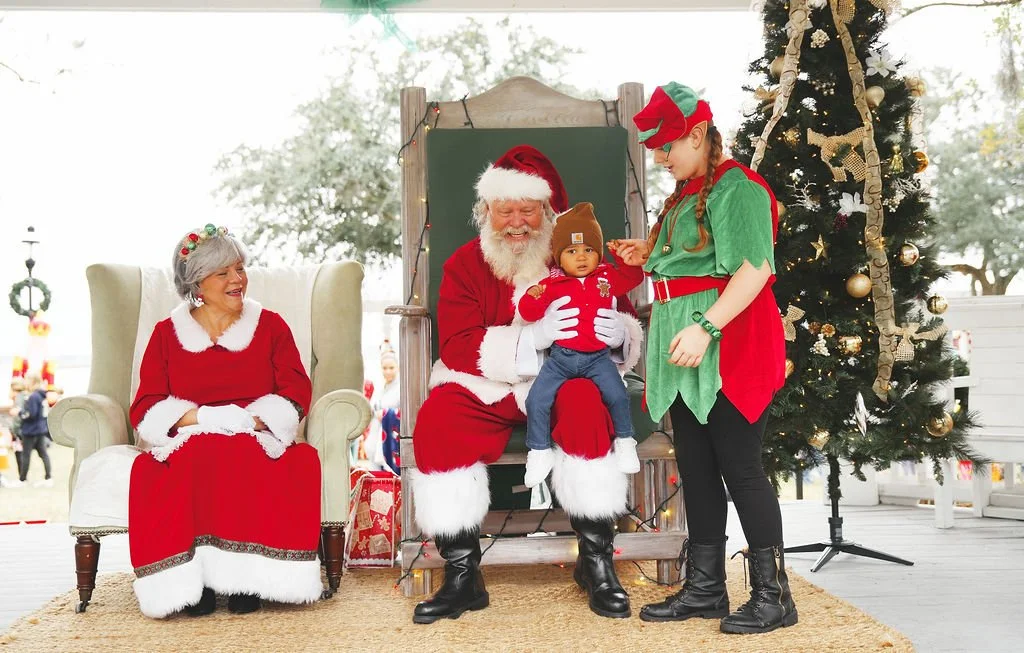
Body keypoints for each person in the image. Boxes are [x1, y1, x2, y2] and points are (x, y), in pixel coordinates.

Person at [409, 145, 644, 624]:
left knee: (585, 403)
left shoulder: (580, 259)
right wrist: (530, 340)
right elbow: (457, 346)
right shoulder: (463, 264)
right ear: (487, 211)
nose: (516, 222)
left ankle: (596, 562)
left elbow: (618, 309)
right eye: (504, 210)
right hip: (488, 385)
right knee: (439, 418)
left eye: (528, 210)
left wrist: (620, 334)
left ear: (548, 213)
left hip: (567, 380)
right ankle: (462, 575)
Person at [614, 83, 795, 634]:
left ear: (698, 134)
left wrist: (706, 327)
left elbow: (754, 269)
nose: (661, 157)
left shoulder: (738, 188)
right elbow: (697, 259)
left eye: (667, 146)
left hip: (726, 347)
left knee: (740, 469)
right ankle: (706, 589)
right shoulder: (686, 191)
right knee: (695, 470)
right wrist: (649, 255)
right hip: (684, 351)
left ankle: (774, 596)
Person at [122, 225, 321, 618]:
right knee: (197, 455)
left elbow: (296, 389)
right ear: (197, 282)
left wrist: (255, 420)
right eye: (224, 273)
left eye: (240, 269)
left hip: (254, 433)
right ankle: (200, 583)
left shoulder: (271, 326)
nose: (238, 280)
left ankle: (245, 581)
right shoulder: (166, 334)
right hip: (192, 436)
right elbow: (146, 404)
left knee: (241, 454)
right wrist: (203, 417)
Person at [518, 202, 644, 487]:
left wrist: (621, 258)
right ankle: (539, 451)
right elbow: (527, 310)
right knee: (537, 399)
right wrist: (536, 295)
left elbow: (633, 277)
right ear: (559, 258)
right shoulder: (554, 284)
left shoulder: (606, 277)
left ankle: (625, 440)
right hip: (561, 359)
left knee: (617, 395)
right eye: (572, 251)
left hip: (598, 358)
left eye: (589, 250)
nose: (582, 257)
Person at [17, 373, 53, 487]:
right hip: (40, 429)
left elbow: (31, 414)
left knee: (26, 455)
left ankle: (22, 480)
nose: (25, 382)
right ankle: (48, 478)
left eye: (27, 380)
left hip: (30, 431)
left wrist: (19, 413)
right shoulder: (42, 396)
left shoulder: (33, 396)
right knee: (43, 454)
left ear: (32, 381)